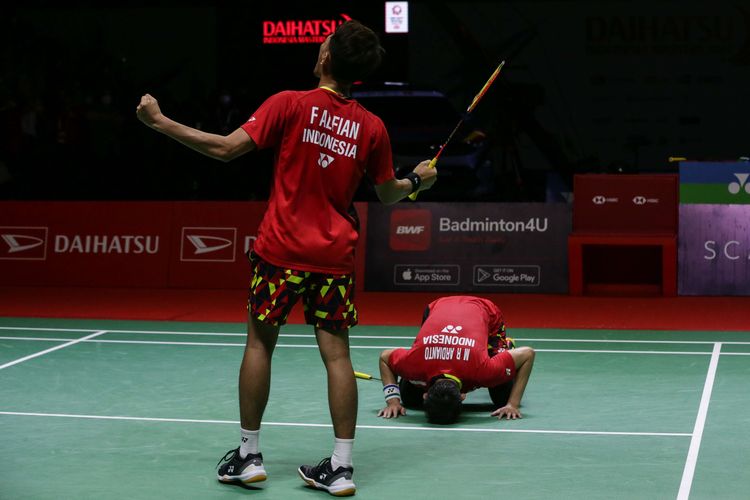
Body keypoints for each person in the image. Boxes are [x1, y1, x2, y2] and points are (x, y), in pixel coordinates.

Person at [136, 20, 436, 497]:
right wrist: (417, 180)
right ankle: (340, 467)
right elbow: (387, 194)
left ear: (326, 59)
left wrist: (159, 123)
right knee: (338, 356)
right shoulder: (372, 127)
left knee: (259, 345)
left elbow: (225, 148)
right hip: (335, 256)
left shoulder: (290, 104)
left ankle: (249, 457)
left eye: (324, 44)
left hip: (280, 252)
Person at [377, 295, 535, 424]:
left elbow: (527, 354)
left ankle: (506, 348)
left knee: (502, 398)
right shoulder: (414, 364)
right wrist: (393, 401)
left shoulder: (484, 370)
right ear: (462, 396)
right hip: (437, 307)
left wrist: (512, 404)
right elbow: (385, 357)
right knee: (410, 398)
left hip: (484, 310)